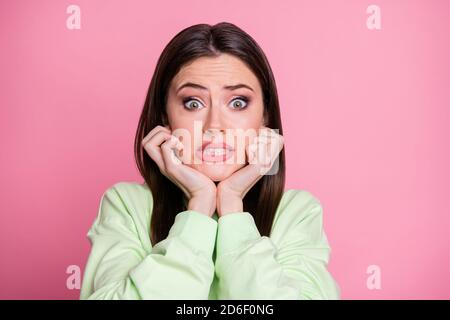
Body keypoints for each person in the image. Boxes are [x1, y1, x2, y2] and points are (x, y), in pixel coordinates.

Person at [80, 22, 340, 300]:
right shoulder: (125, 205)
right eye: (193, 102)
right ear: (165, 117)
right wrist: (199, 207)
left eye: (238, 102)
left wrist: (232, 207)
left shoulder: (296, 212)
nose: (214, 125)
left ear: (265, 117)